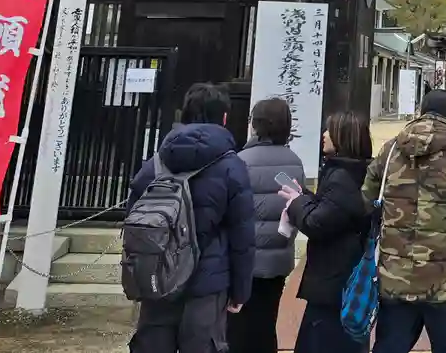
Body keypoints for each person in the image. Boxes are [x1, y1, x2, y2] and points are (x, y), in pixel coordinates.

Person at [128, 82, 256, 353]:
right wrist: (240, 290)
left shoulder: (157, 163)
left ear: (184, 114)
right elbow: (242, 235)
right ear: (224, 118)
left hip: (159, 275)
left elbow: (134, 218)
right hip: (208, 283)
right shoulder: (232, 166)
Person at [365, 88, 446, 353]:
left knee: (389, 347)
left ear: (420, 113)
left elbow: (367, 198)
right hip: (444, 281)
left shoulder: (390, 151)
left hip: (395, 277)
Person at [279, 111, 374, 353]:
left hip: (333, 280)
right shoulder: (356, 172)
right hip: (343, 277)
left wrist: (297, 202)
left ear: (343, 136)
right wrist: (305, 198)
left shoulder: (342, 177)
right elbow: (333, 211)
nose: (324, 135)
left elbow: (317, 223)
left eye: (329, 130)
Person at [230, 98, 307, 353]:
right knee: (266, 324)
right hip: (278, 261)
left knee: (237, 330)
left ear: (256, 124)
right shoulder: (294, 162)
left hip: (244, 262)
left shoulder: (241, 160)